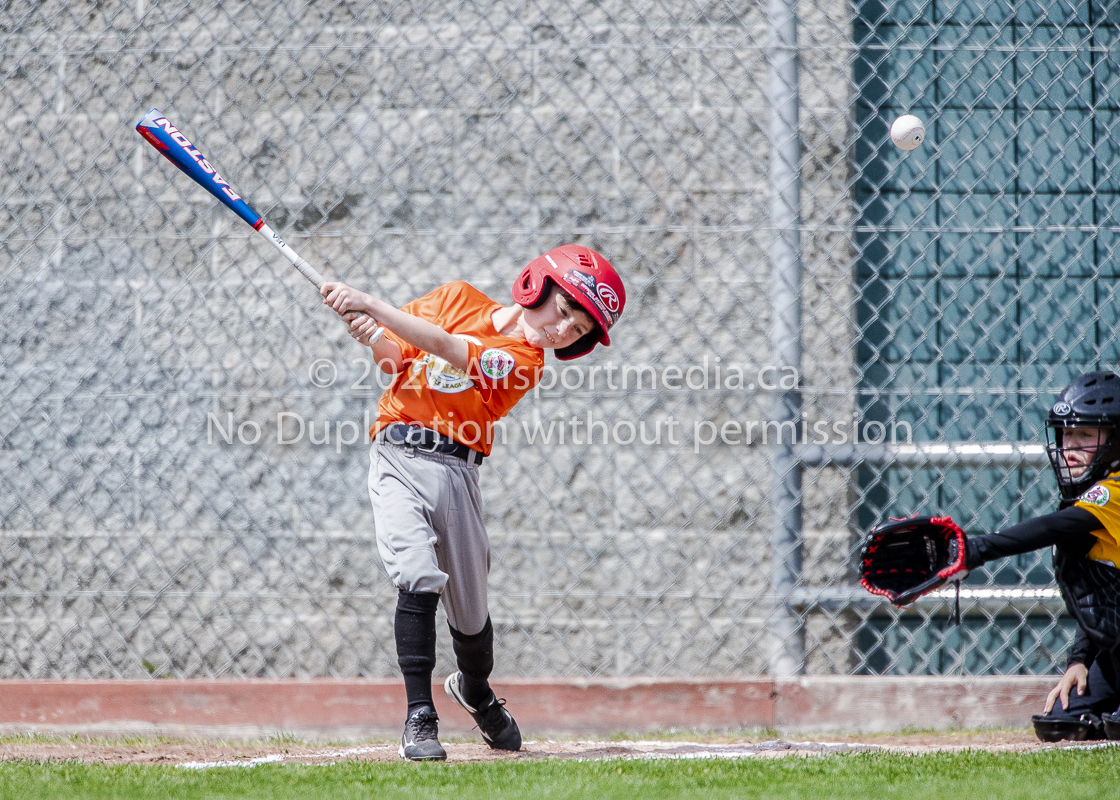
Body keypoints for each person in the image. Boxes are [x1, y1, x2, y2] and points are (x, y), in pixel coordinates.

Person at [320, 245, 625, 761]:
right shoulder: (456, 297)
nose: (560, 329)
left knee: (470, 614)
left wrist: (370, 303)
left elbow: (445, 346)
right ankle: (420, 715)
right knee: (415, 574)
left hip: (458, 472)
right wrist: (374, 336)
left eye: (576, 331)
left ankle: (476, 690)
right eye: (564, 309)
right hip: (397, 452)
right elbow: (398, 360)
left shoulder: (526, 362)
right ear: (537, 286)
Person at [961, 370, 1120, 741]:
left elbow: (1052, 526)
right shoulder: (1093, 499)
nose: (1070, 446)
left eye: (1085, 435)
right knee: (1062, 724)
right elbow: (1105, 589)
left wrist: (975, 550)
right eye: (1066, 434)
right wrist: (1080, 660)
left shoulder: (1113, 493)